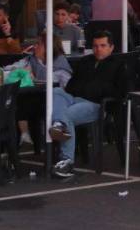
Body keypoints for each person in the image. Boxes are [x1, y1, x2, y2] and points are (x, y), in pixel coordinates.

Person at [49, 30, 129, 180]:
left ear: (111, 47)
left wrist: (98, 88)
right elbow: (71, 86)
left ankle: (66, 161)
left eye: (103, 45)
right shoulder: (85, 61)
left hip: (96, 105)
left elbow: (121, 92)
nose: (99, 49)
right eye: (96, 46)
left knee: (65, 114)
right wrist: (80, 89)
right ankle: (59, 124)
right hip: (74, 98)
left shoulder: (118, 65)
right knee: (56, 91)